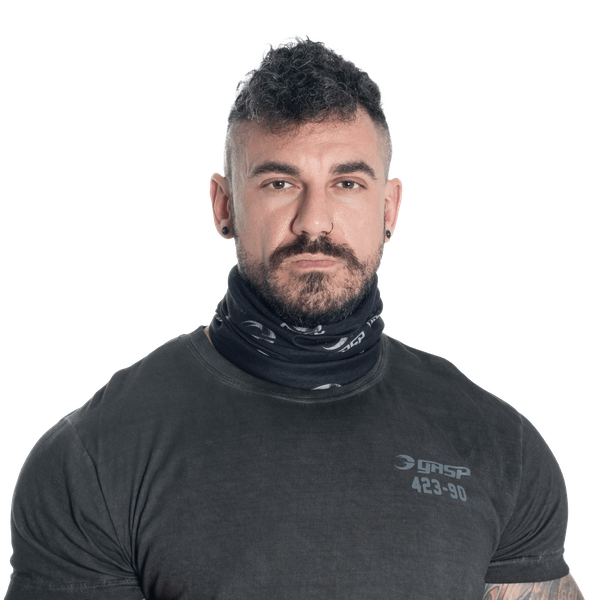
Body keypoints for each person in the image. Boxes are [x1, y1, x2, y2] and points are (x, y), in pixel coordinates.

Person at [5, 32, 585, 600]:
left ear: (390, 208)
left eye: (347, 183)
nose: (314, 220)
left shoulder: (500, 447)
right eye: (280, 182)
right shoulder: (96, 458)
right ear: (223, 205)